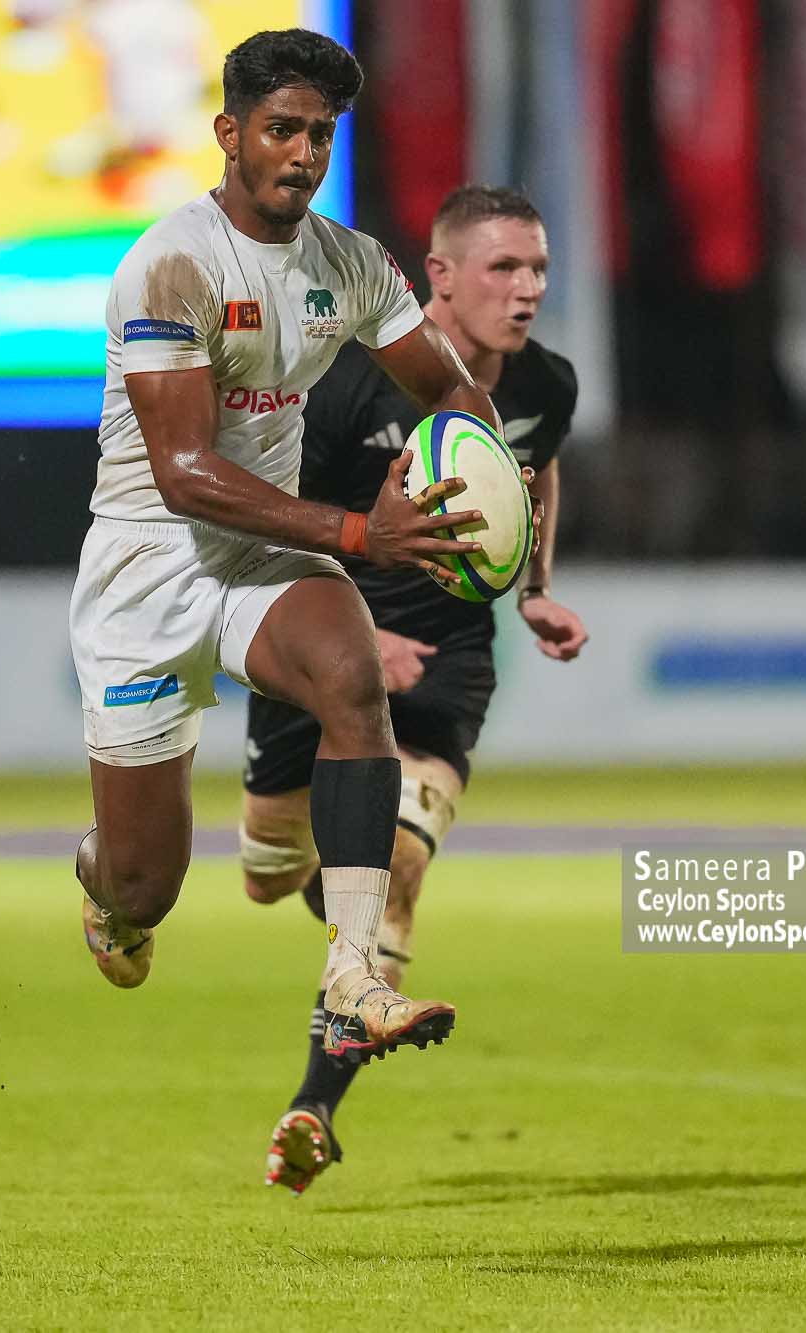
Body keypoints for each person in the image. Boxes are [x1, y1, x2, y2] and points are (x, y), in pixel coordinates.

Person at [69, 31, 507, 1075]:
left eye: (320, 134)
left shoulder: (349, 264)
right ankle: (103, 882)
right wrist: (360, 533)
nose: (303, 154)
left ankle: (354, 976)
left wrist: (487, 470)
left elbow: (451, 386)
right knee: (146, 883)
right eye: (281, 130)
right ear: (230, 133)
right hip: (148, 564)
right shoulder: (171, 266)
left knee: (352, 678)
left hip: (262, 554)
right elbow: (183, 473)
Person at [240, 185, 589, 1195]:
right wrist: (352, 638)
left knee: (396, 869)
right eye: (503, 268)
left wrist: (534, 588)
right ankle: (324, 878)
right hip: (319, 646)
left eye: (537, 269)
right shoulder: (350, 379)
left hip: (448, 661)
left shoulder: (546, 382)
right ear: (438, 275)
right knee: (269, 872)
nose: (526, 290)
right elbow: (275, 517)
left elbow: (536, 471)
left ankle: (312, 1107)